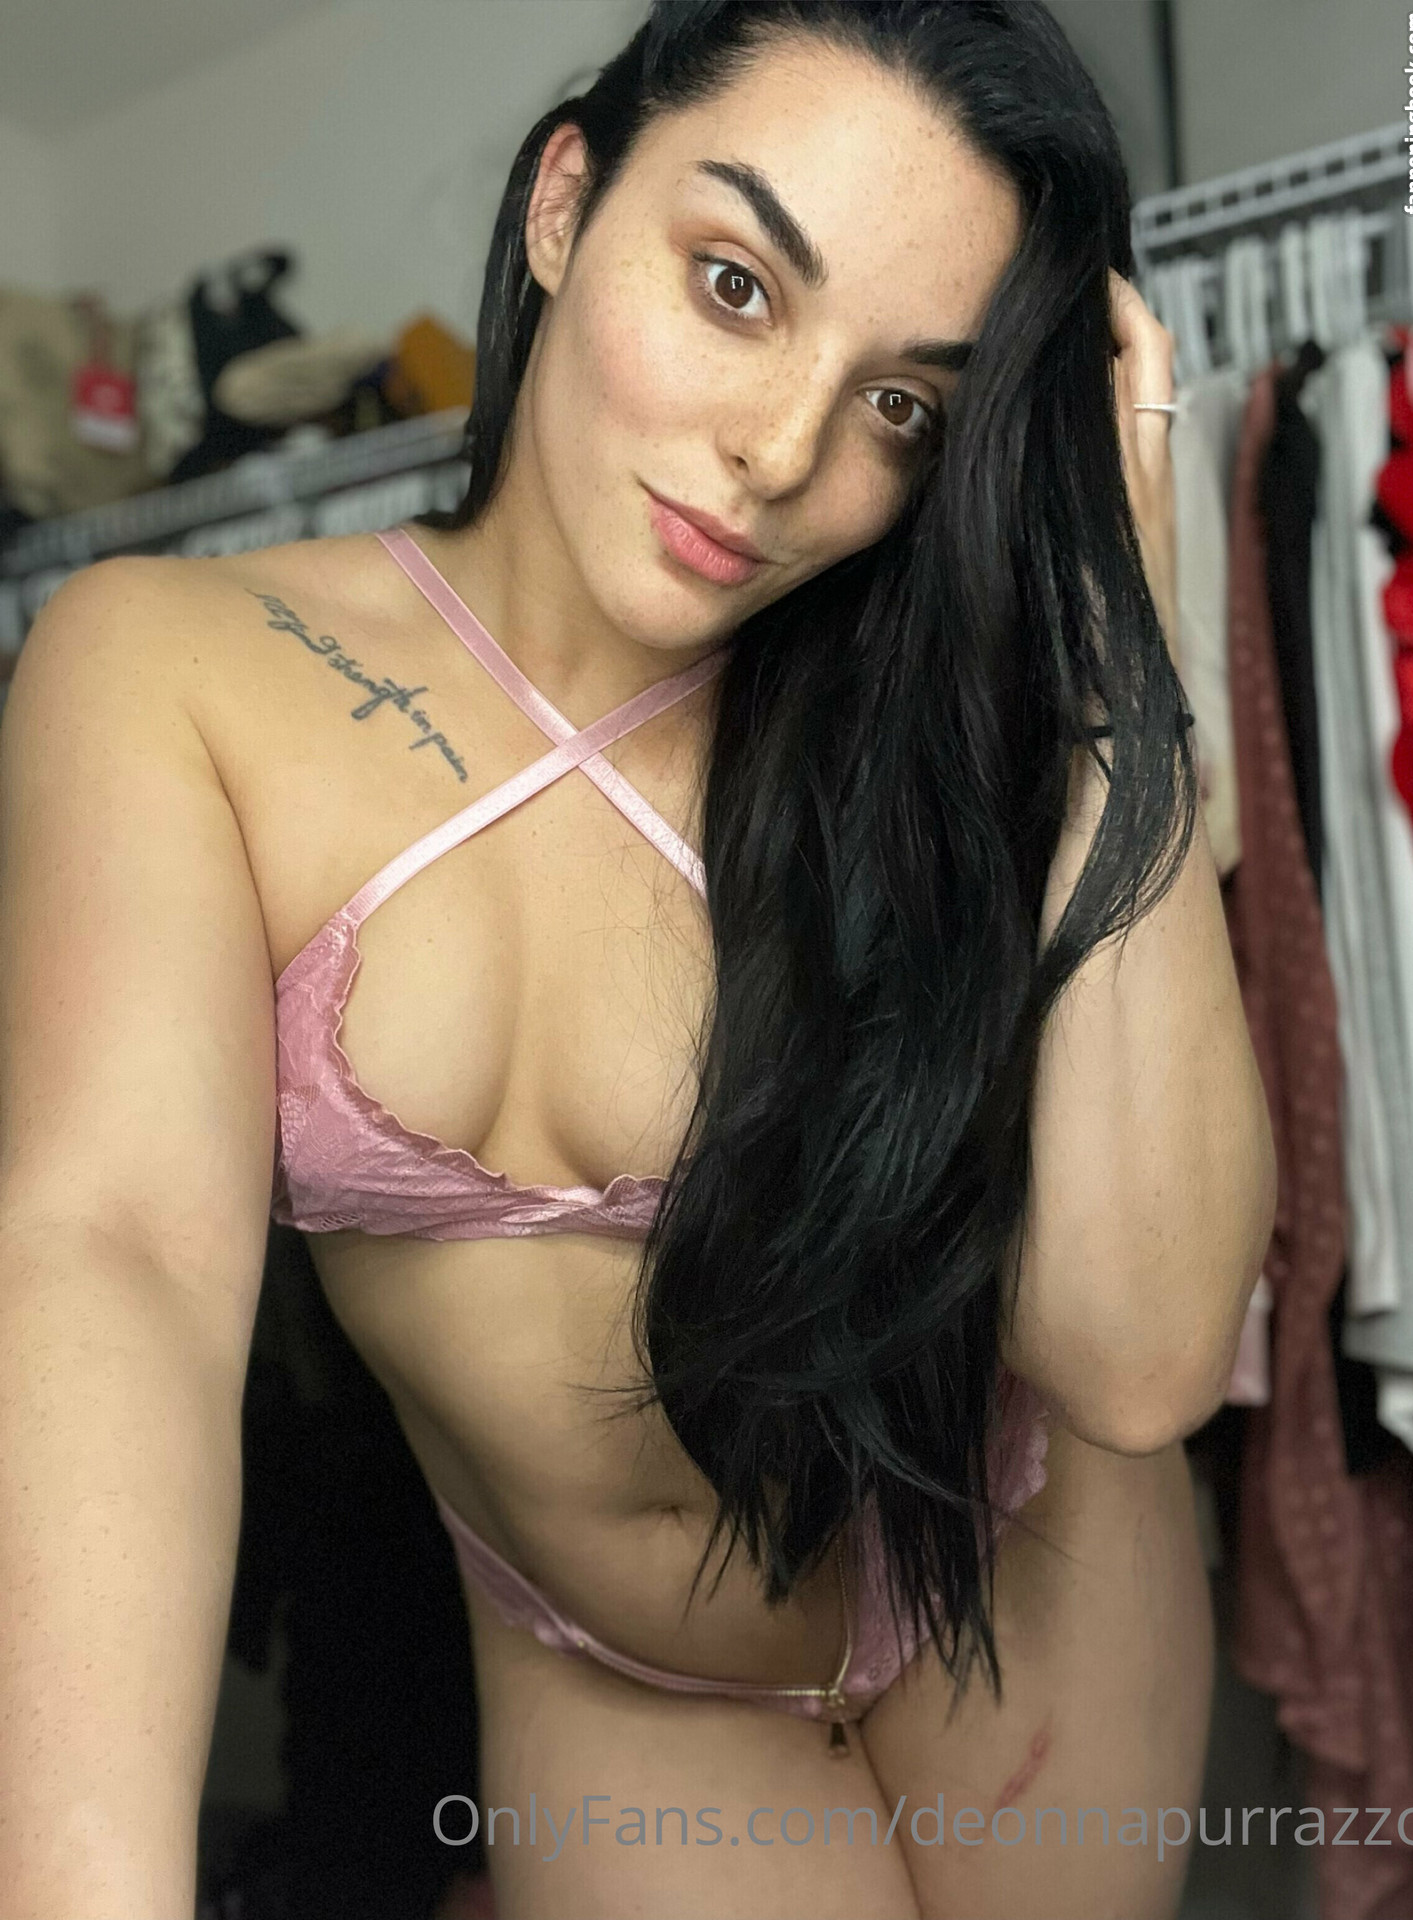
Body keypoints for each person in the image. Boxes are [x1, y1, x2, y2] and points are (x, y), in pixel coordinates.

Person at [0, 2, 1276, 1916]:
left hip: (1023, 1581)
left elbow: (1143, 1359)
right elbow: (117, 1258)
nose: (780, 453)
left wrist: (1115, 621)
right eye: (737, 285)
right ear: (564, 203)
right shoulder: (170, 667)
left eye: (904, 406)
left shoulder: (960, 725)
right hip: (626, 1688)